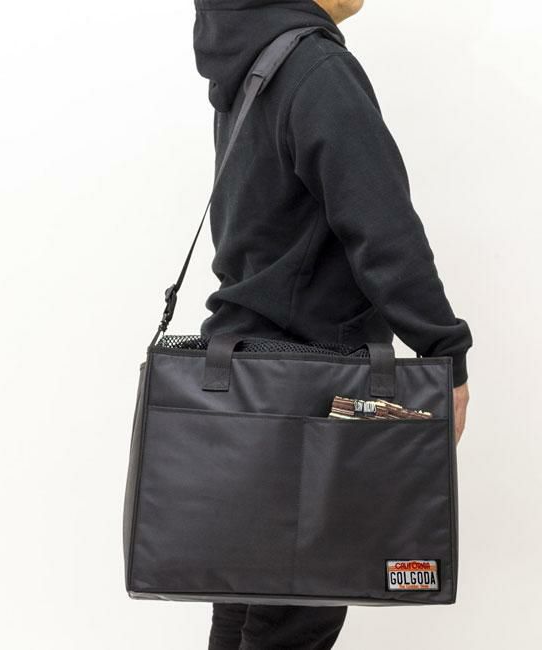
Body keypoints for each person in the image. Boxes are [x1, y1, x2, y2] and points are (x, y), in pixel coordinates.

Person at [194, 0, 473, 647]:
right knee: (292, 620)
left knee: (247, 609)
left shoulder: (251, 67)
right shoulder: (316, 68)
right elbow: (384, 233)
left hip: (242, 385)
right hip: (311, 394)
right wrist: (445, 355)